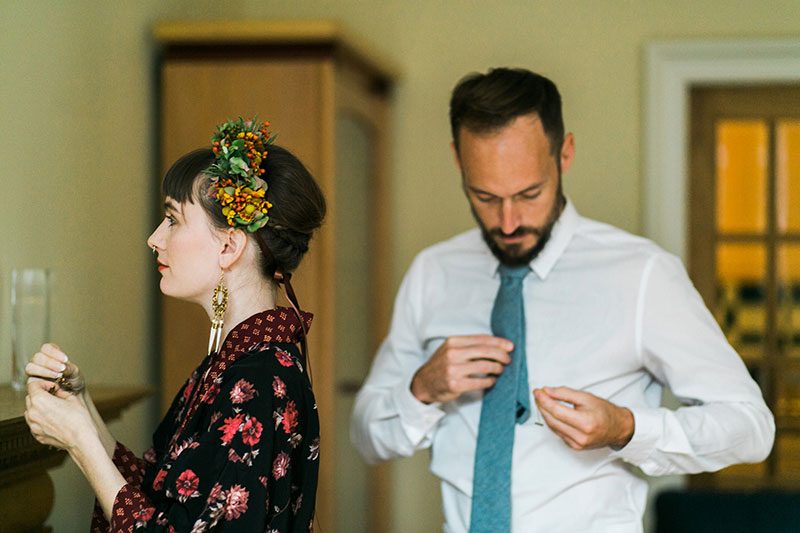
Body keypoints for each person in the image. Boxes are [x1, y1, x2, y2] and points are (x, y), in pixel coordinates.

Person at [350, 68, 775, 532]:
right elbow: (368, 437)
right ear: (458, 160)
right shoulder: (433, 273)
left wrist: (627, 428)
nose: (508, 222)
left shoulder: (642, 274)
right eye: (485, 196)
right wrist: (422, 389)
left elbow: (751, 428)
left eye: (529, 194)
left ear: (565, 153)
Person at [24, 118, 325, 532]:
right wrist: (83, 409)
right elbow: (161, 499)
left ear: (228, 245)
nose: (154, 238)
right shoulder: (234, 365)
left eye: (173, 219)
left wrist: (80, 442)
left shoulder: (256, 379)